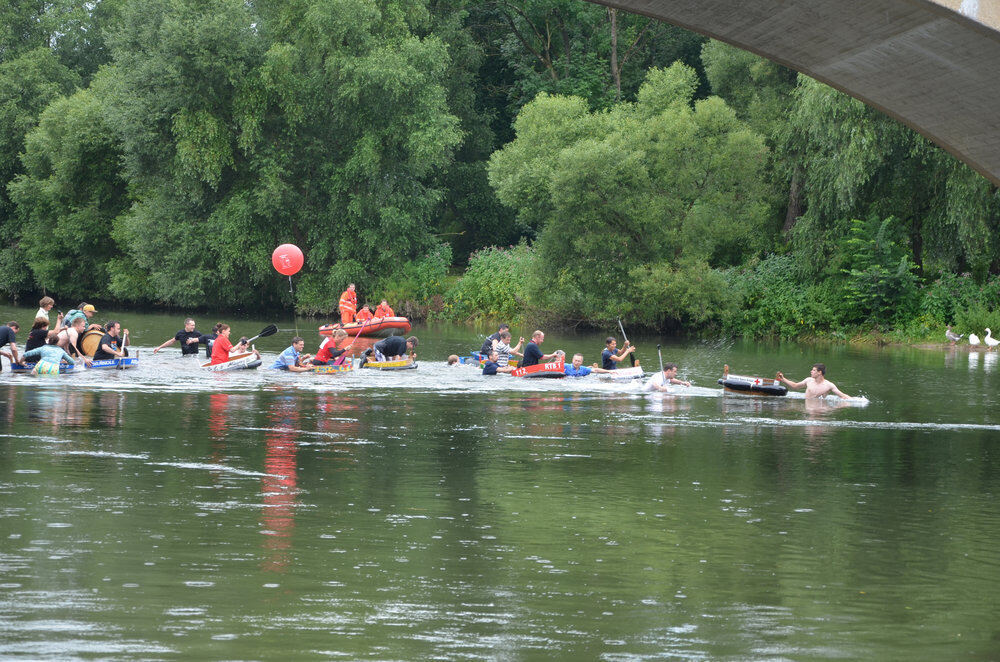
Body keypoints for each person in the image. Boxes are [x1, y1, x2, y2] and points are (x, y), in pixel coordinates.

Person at [777, 364, 853, 399]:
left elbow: (842, 396)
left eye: (813, 370)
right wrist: (783, 379)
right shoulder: (808, 380)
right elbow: (795, 386)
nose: (811, 372)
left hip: (819, 410)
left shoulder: (829, 385)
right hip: (807, 407)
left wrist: (856, 401)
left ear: (819, 372)